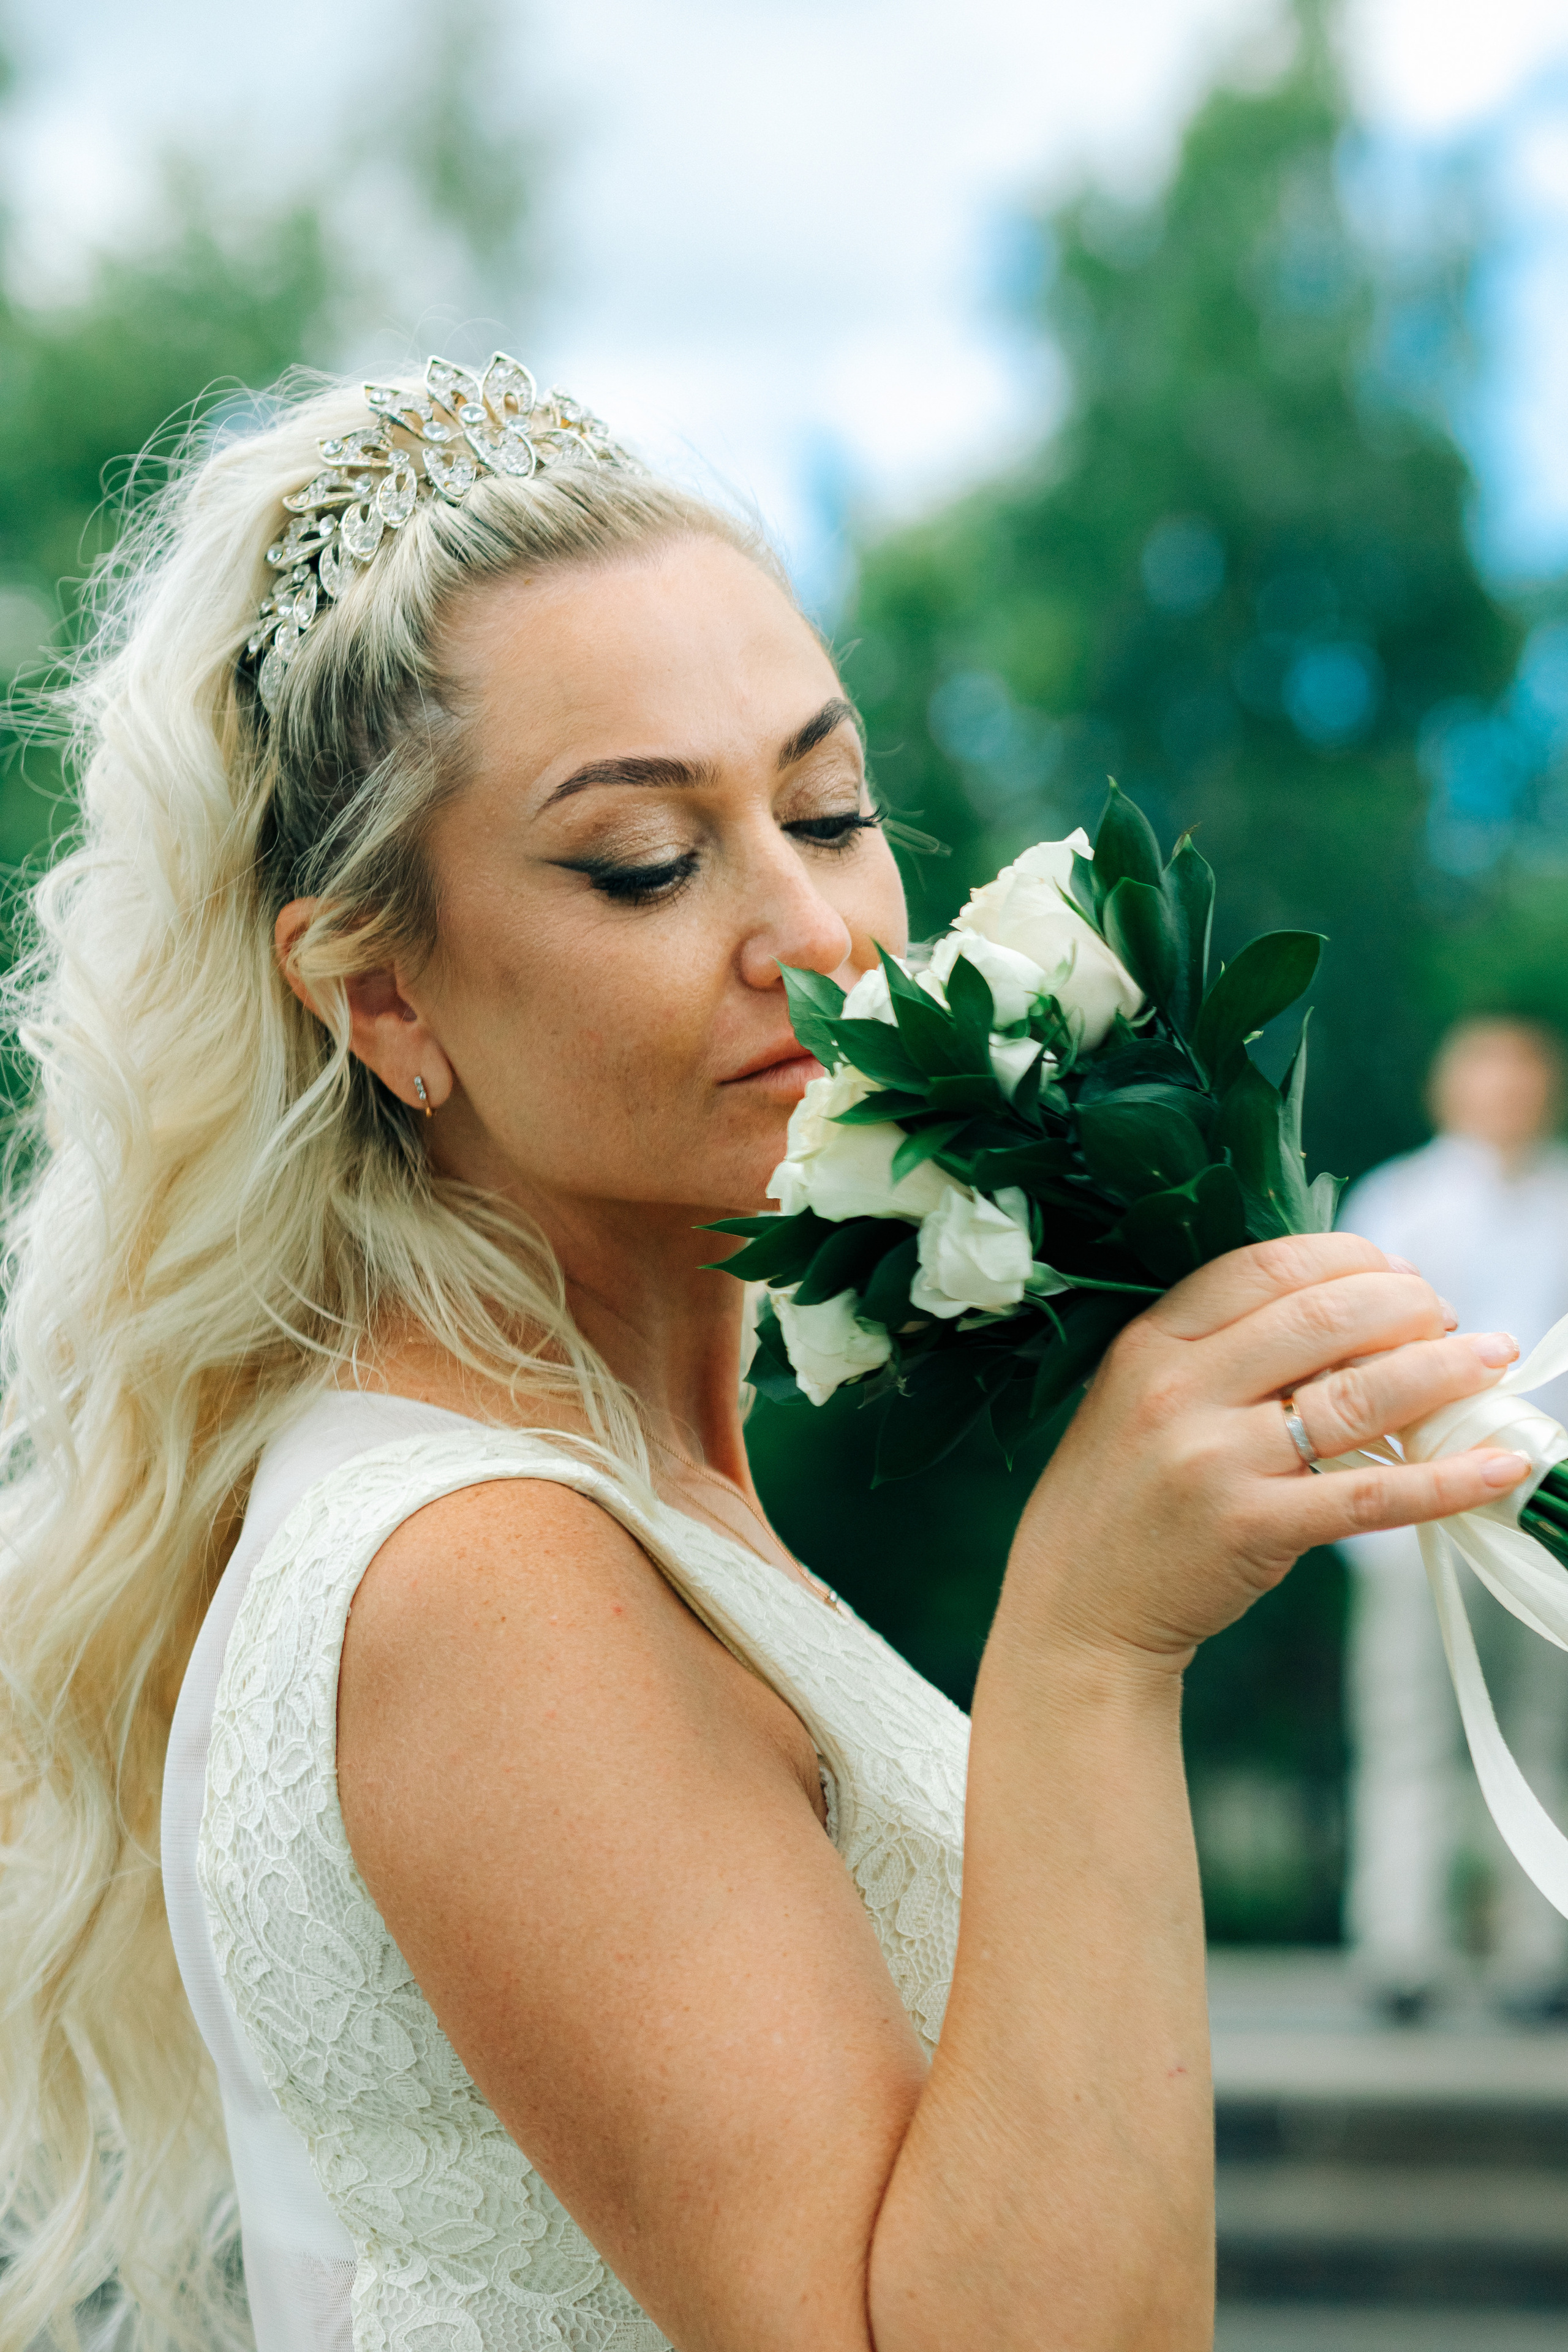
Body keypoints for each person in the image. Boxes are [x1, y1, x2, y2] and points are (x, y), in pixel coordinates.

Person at [0, 355, 1532, 2352]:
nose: (814, 930)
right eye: (648, 860)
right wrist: (1090, 1642)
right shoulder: (482, 1578)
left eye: (827, 806)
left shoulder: (637, 1494)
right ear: (383, 996)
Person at [1340, 1016, 1568, 2020]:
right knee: (1409, 1732)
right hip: (1418, 1524)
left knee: (1538, 1732)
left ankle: (1536, 1954)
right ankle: (1402, 1948)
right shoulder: (1401, 1201)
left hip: (1545, 1513)